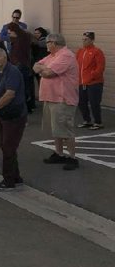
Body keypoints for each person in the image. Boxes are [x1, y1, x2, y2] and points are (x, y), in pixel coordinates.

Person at [33, 33, 80, 171]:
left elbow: (48, 73)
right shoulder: (53, 56)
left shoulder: (65, 55)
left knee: (65, 129)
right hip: (51, 98)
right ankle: (59, 154)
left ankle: (72, 158)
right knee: (56, 129)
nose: (46, 44)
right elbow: (36, 66)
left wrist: (44, 70)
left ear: (54, 43)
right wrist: (43, 69)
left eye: (48, 42)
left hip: (62, 99)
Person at [0, 47, 27, 191]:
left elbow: (10, 94)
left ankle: (8, 181)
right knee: (5, 146)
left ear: (5, 57)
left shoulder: (13, 72)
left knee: (8, 147)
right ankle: (16, 177)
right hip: (2, 115)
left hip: (14, 116)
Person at [76, 31, 105, 130]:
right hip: (82, 82)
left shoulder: (97, 51)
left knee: (94, 103)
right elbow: (76, 65)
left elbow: (100, 67)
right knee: (81, 102)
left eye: (86, 39)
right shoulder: (80, 51)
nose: (84, 41)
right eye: (83, 39)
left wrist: (92, 76)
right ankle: (87, 120)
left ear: (92, 40)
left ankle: (98, 122)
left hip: (94, 83)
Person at [7, 21, 35, 113]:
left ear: (14, 31)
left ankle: (23, 111)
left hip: (20, 66)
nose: (9, 34)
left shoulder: (20, 41)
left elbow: (18, 55)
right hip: (21, 66)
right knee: (23, 89)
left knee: (20, 90)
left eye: (10, 32)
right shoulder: (21, 38)